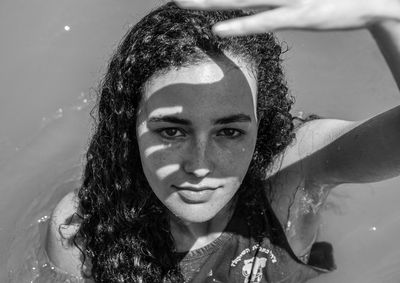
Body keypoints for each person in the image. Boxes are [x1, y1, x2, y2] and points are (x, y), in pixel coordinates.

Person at [46, 1, 400, 282]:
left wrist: (384, 20)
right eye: (172, 131)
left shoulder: (296, 166)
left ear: (260, 125)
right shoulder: (84, 228)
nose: (200, 165)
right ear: (130, 125)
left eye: (229, 132)